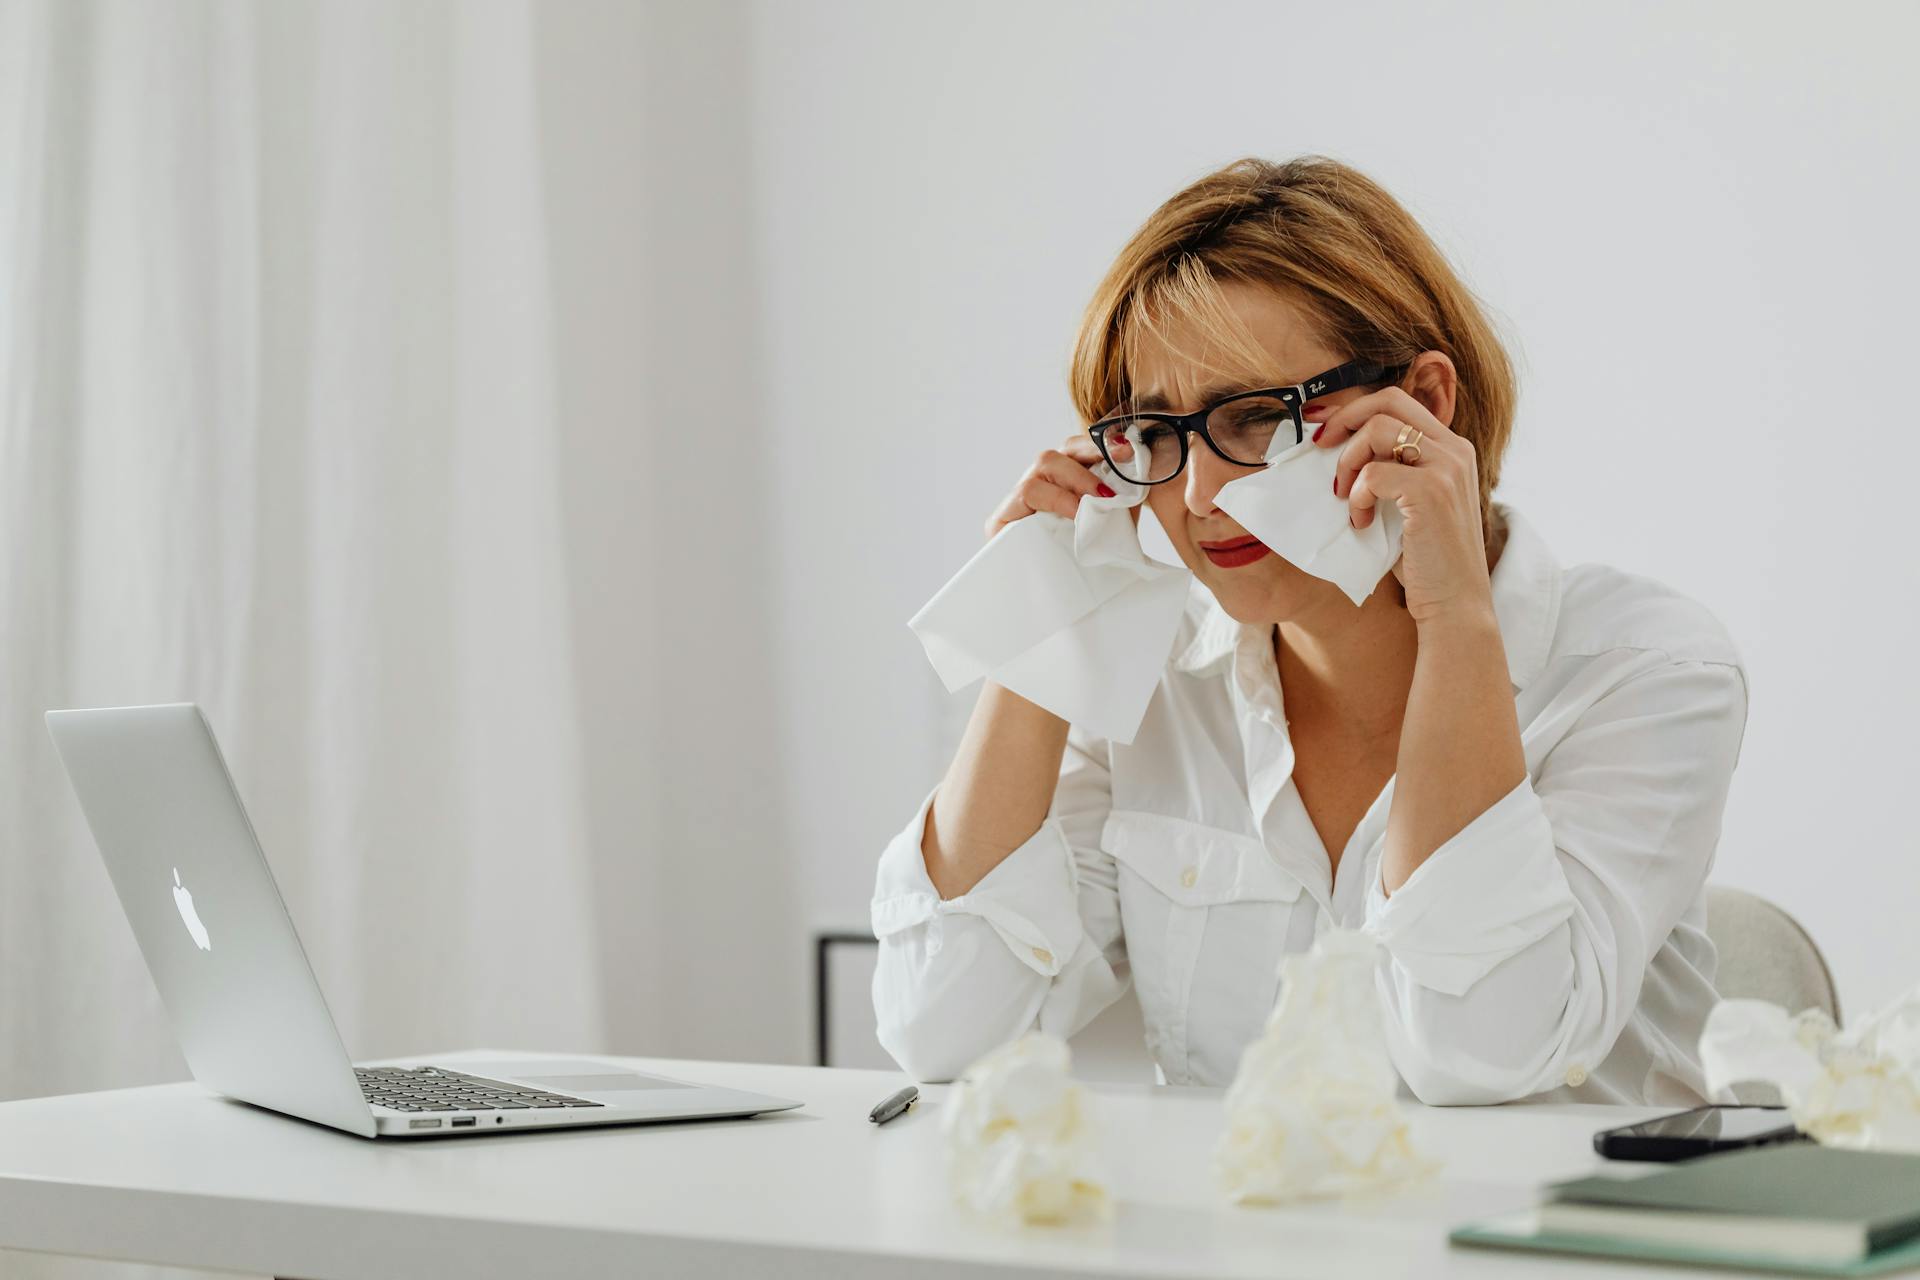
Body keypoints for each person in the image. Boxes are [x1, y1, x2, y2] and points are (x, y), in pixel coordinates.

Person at [869, 156, 1747, 1105]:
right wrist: (1039, 618)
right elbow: (942, 1030)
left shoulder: (1644, 669)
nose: (1199, 496)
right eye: (1157, 434)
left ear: (1425, 406)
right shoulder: (1153, 683)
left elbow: (1478, 1053)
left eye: (1255, 418)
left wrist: (1455, 618)